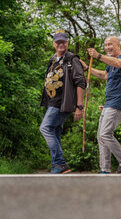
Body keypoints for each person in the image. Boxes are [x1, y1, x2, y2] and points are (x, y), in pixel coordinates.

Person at [84, 36, 121, 174]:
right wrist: (87, 68)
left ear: (118, 45)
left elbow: (119, 64)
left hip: (118, 103)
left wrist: (98, 55)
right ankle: (105, 169)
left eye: (110, 44)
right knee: (101, 136)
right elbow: (104, 75)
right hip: (109, 103)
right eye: (105, 45)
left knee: (105, 134)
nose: (107, 47)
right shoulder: (111, 63)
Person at [39, 30, 85, 174]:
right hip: (52, 102)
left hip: (62, 103)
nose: (61, 44)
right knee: (55, 131)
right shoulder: (53, 60)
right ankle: (57, 166)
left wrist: (79, 106)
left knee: (45, 128)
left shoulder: (72, 59)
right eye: (58, 42)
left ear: (67, 43)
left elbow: (80, 82)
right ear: (54, 44)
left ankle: (60, 163)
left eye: (63, 42)